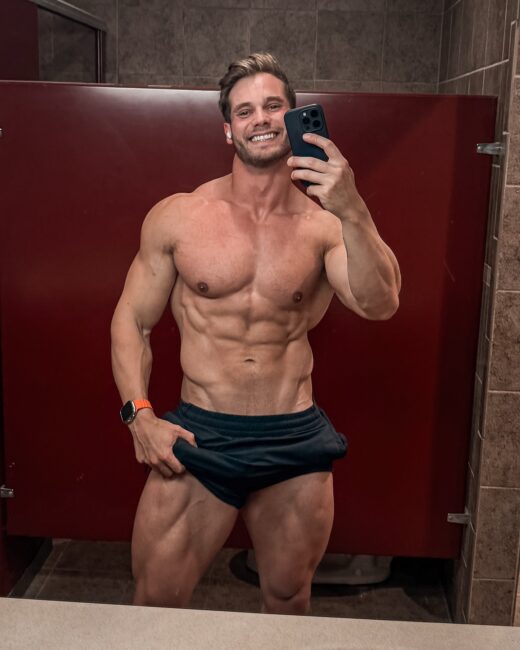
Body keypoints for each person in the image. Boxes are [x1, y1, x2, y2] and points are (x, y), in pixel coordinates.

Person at [110, 52, 401, 615]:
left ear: (292, 118)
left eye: (272, 106)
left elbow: (380, 303)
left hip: (293, 437)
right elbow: (132, 320)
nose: (260, 119)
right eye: (245, 111)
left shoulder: (325, 225)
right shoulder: (180, 216)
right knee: (156, 601)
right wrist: (138, 414)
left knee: (288, 601)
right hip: (202, 434)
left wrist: (353, 209)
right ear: (228, 129)